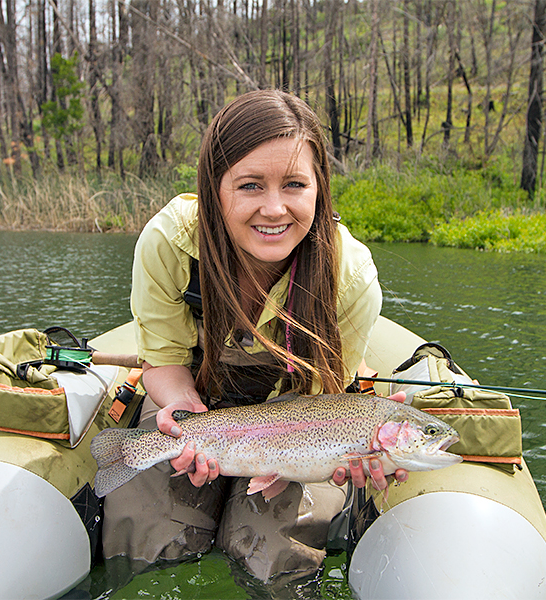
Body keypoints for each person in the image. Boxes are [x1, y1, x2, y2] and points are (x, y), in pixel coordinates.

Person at [101, 89, 406, 585]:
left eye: (294, 185)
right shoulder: (170, 244)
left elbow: (322, 402)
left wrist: (330, 460)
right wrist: (184, 419)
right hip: (194, 404)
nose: (274, 209)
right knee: (151, 539)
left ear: (319, 190)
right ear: (214, 189)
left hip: (294, 421)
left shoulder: (350, 277)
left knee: (273, 563)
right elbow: (164, 362)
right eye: (249, 186)